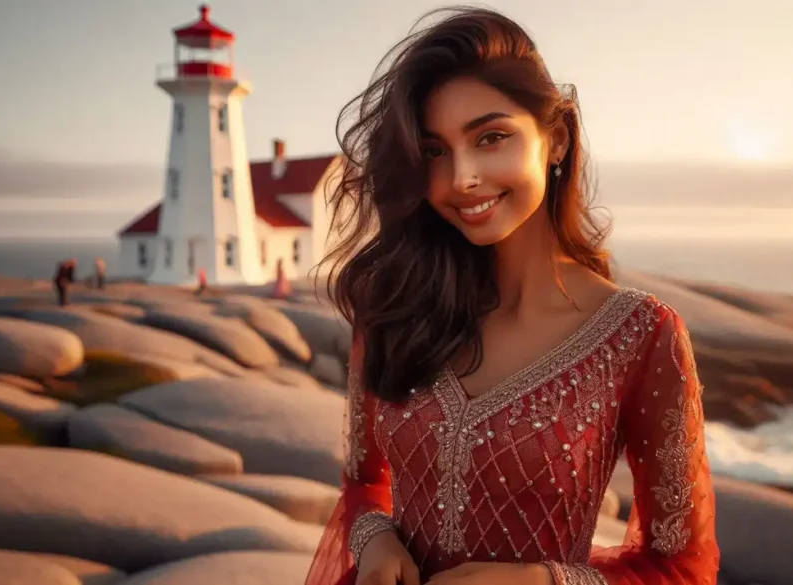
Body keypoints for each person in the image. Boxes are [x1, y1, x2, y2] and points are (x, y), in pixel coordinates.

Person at [306, 7, 719, 585]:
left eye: (491, 137)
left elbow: (681, 567)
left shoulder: (641, 336)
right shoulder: (393, 304)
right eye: (434, 151)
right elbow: (364, 482)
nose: (460, 178)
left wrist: (540, 581)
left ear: (555, 140)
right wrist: (375, 539)